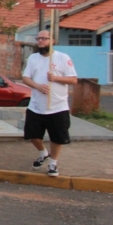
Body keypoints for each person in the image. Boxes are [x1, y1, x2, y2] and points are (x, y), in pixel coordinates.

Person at [22, 30, 78, 177]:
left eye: (44, 39)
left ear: (52, 40)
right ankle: (43, 153)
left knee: (57, 137)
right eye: (38, 38)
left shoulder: (62, 58)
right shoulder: (33, 58)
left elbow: (73, 79)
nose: (40, 41)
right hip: (36, 106)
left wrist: (56, 78)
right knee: (32, 135)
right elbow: (25, 78)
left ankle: (53, 162)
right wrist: (38, 86)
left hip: (58, 107)